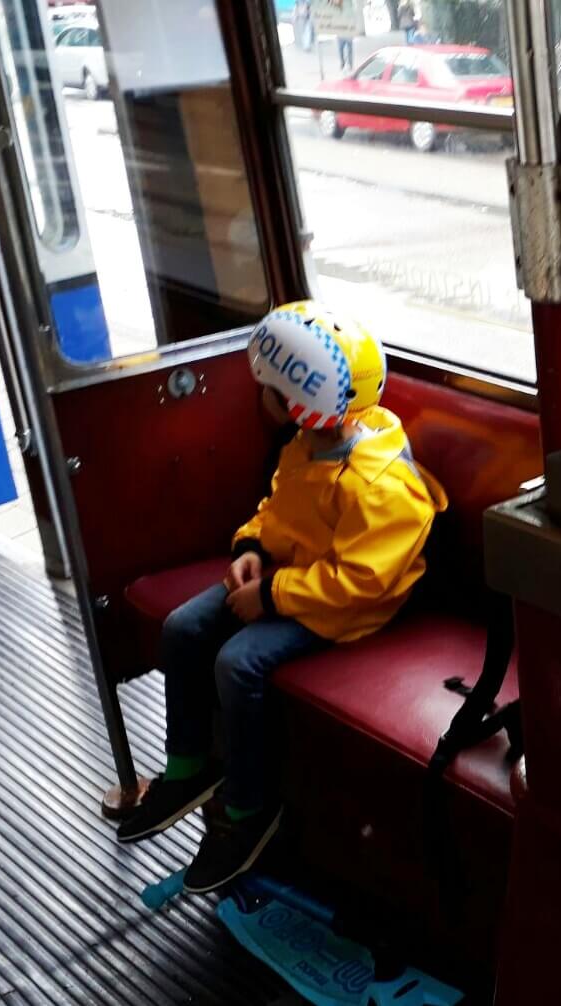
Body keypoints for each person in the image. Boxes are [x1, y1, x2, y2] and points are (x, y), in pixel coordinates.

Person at [117, 301, 448, 893]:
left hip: (348, 608)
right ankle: (188, 769)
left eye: (266, 389)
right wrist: (254, 550)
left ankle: (248, 808)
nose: (260, 398)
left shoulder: (381, 486)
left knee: (237, 661)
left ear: (295, 401)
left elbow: (360, 582)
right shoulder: (309, 442)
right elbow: (280, 508)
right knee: (182, 629)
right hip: (293, 576)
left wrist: (271, 597)